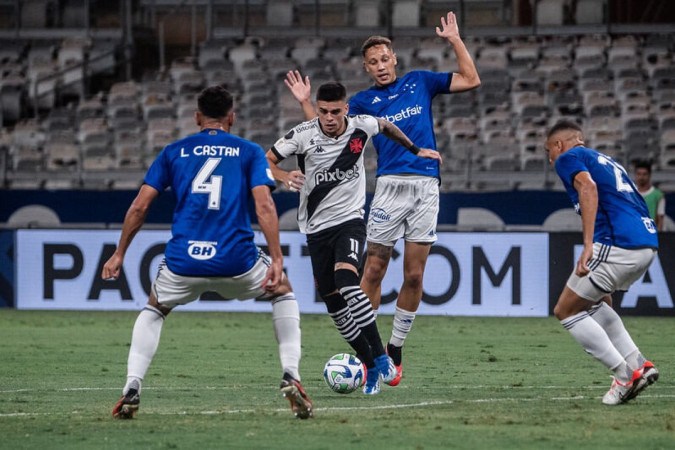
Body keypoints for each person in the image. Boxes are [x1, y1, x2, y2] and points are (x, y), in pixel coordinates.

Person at [284, 11, 480, 386]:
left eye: (384, 59)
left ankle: (396, 351)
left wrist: (454, 39)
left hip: (425, 186)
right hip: (388, 186)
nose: (380, 66)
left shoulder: (419, 82)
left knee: (415, 273)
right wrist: (306, 103)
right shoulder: (361, 102)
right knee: (372, 269)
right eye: (372, 62)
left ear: (394, 60)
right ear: (367, 68)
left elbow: (472, 79)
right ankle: (370, 357)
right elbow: (326, 130)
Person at [102, 85, 312, 419]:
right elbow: (264, 205)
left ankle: (131, 386)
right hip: (237, 261)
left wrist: (119, 254)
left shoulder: (174, 151)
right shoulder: (248, 151)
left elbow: (140, 207)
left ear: (197, 117)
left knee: (155, 308)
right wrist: (276, 259)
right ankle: (291, 375)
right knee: (283, 294)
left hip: (183, 262)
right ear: (232, 116)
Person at [266, 82, 442, 395]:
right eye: (323, 112)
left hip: (350, 222)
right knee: (334, 305)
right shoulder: (302, 135)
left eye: (336, 111)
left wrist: (416, 150)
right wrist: (283, 176)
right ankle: (371, 363)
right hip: (315, 229)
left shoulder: (361, 126)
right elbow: (267, 161)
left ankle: (382, 357)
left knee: (348, 282)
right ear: (317, 110)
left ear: (346, 109)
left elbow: (387, 126)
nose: (330, 118)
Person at [544, 120, 659, 405]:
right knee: (592, 304)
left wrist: (588, 246)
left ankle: (624, 375)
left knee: (566, 310)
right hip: (646, 244)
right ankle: (638, 364)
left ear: (559, 145)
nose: (550, 159)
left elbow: (588, 188)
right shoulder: (608, 161)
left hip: (617, 243)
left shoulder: (569, 158)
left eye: (549, 151)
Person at [633, 159, 666, 231]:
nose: (641, 177)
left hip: (650, 238)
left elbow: (660, 219)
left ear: (649, 175)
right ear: (635, 175)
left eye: (644, 174)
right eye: (639, 174)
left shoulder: (658, 195)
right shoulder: (629, 194)